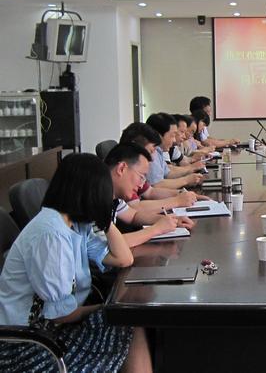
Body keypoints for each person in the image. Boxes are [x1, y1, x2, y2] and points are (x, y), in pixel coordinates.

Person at [0, 153, 152, 372]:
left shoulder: (76, 225)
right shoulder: (51, 235)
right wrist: (105, 309)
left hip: (55, 329)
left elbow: (123, 258)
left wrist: (105, 219)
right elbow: (60, 315)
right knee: (127, 322)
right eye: (102, 192)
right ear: (88, 192)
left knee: (129, 320)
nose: (106, 197)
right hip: (29, 344)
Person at [105, 143, 196, 248]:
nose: (141, 185)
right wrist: (156, 229)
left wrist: (170, 220)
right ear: (121, 169)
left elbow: (133, 216)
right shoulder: (95, 198)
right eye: (141, 177)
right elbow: (106, 246)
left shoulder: (114, 197)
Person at [119, 122, 201, 212]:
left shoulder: (136, 169)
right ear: (134, 148)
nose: (152, 158)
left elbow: (150, 192)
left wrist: (181, 194)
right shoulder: (126, 171)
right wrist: (177, 201)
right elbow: (135, 207)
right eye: (150, 151)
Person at [146, 113, 205, 189]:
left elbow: (168, 172)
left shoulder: (158, 151)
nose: (174, 140)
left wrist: (191, 170)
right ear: (158, 135)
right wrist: (186, 180)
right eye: (172, 135)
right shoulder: (151, 154)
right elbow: (156, 185)